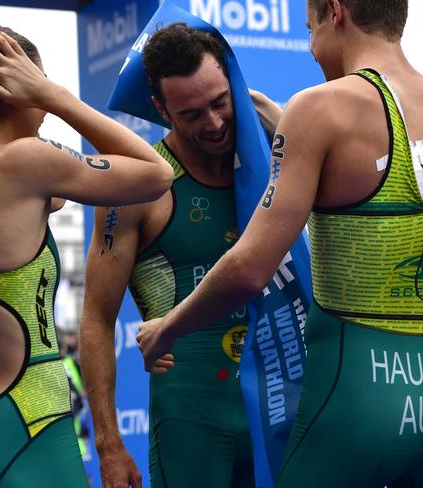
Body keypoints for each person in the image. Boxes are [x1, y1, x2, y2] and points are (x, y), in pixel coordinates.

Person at [137, 1, 423, 487]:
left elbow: (251, 270)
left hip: (357, 395)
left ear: (334, 11)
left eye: (309, 28)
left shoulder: (320, 107)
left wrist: (167, 328)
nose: (312, 49)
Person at [0, 22, 172, 487]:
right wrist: (56, 95)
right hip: (24, 431)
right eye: (33, 80)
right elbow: (156, 174)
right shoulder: (22, 163)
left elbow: (54, 197)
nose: (43, 107)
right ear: (10, 89)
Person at [81, 23, 261, 488]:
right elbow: (97, 320)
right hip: (190, 420)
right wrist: (108, 444)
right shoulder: (136, 191)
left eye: (221, 102)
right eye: (192, 114)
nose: (215, 123)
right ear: (161, 109)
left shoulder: (271, 167)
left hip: (277, 405)